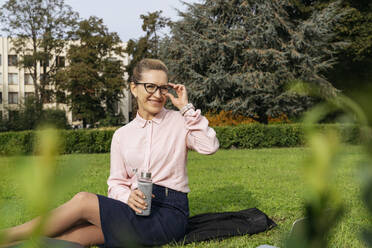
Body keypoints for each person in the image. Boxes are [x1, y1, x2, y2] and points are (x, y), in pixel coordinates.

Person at [0, 58, 219, 247]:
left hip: (169, 212)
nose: (158, 94)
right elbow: (115, 183)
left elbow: (209, 146)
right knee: (76, 236)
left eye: (163, 88)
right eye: (150, 86)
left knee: (84, 201)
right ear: (134, 88)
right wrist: (128, 197)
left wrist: (187, 108)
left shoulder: (180, 121)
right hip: (135, 208)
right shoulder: (122, 135)